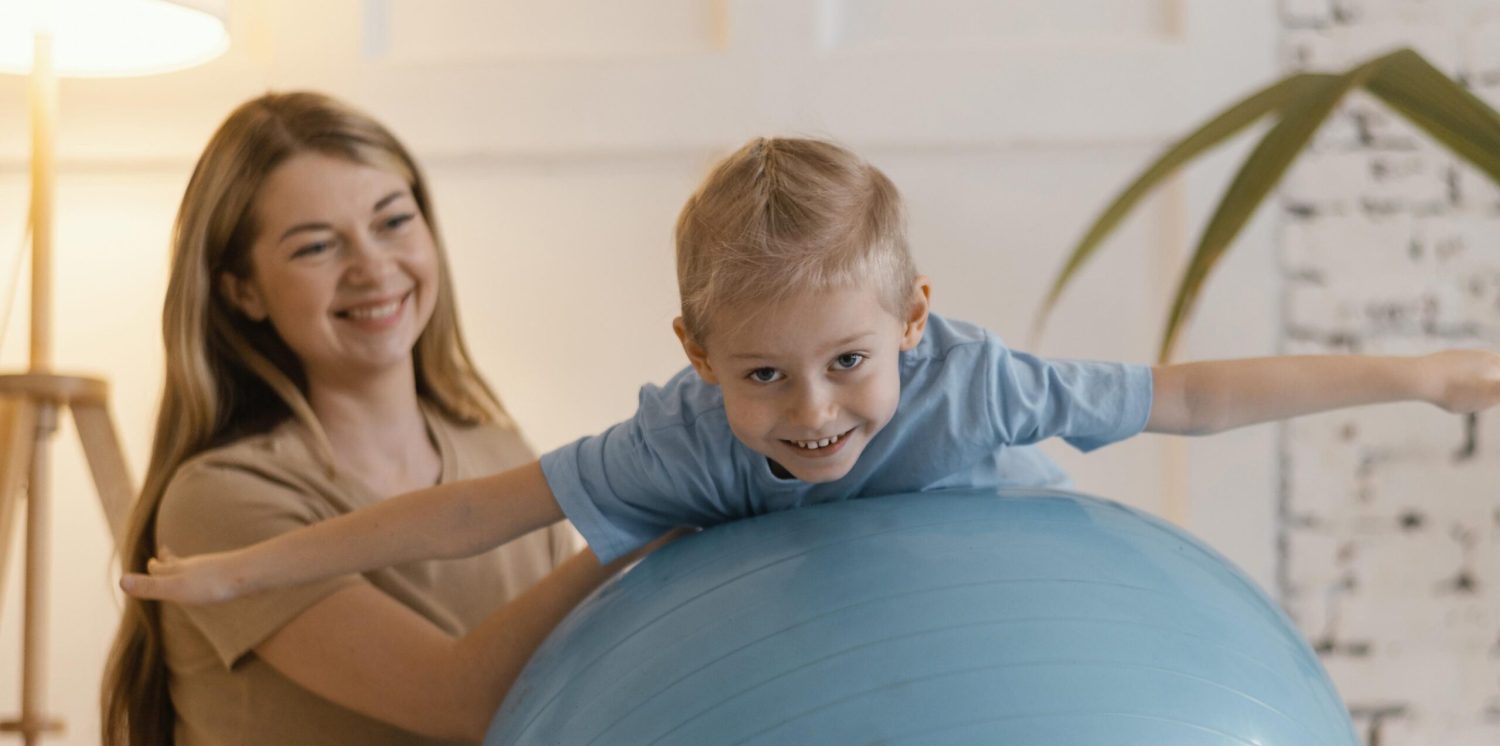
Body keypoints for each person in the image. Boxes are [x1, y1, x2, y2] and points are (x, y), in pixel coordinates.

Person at [120, 135, 1500, 605]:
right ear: (695, 358)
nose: (814, 410)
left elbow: (1192, 396)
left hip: (1005, 626)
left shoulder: (978, 387)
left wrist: (1421, 372)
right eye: (763, 375)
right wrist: (250, 566)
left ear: (914, 323)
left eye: (846, 360)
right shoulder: (691, 443)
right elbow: (483, 512)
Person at [99, 92, 669, 746]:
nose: (373, 268)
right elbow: (462, 694)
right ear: (242, 289)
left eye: (392, 220)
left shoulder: (496, 455)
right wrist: (656, 505)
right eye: (316, 246)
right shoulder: (224, 498)